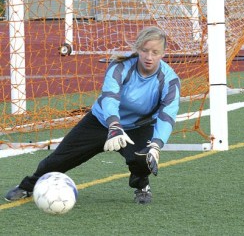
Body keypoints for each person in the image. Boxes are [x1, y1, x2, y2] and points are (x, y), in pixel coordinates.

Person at [5, 26, 181, 204]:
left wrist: (157, 145)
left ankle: (141, 185)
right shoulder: (120, 67)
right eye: (144, 50)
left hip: (137, 127)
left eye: (155, 52)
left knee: (144, 157)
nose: (149, 57)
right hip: (102, 121)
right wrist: (114, 126)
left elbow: (167, 115)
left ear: (163, 53)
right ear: (137, 49)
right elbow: (110, 98)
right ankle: (29, 186)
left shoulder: (169, 80)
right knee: (58, 160)